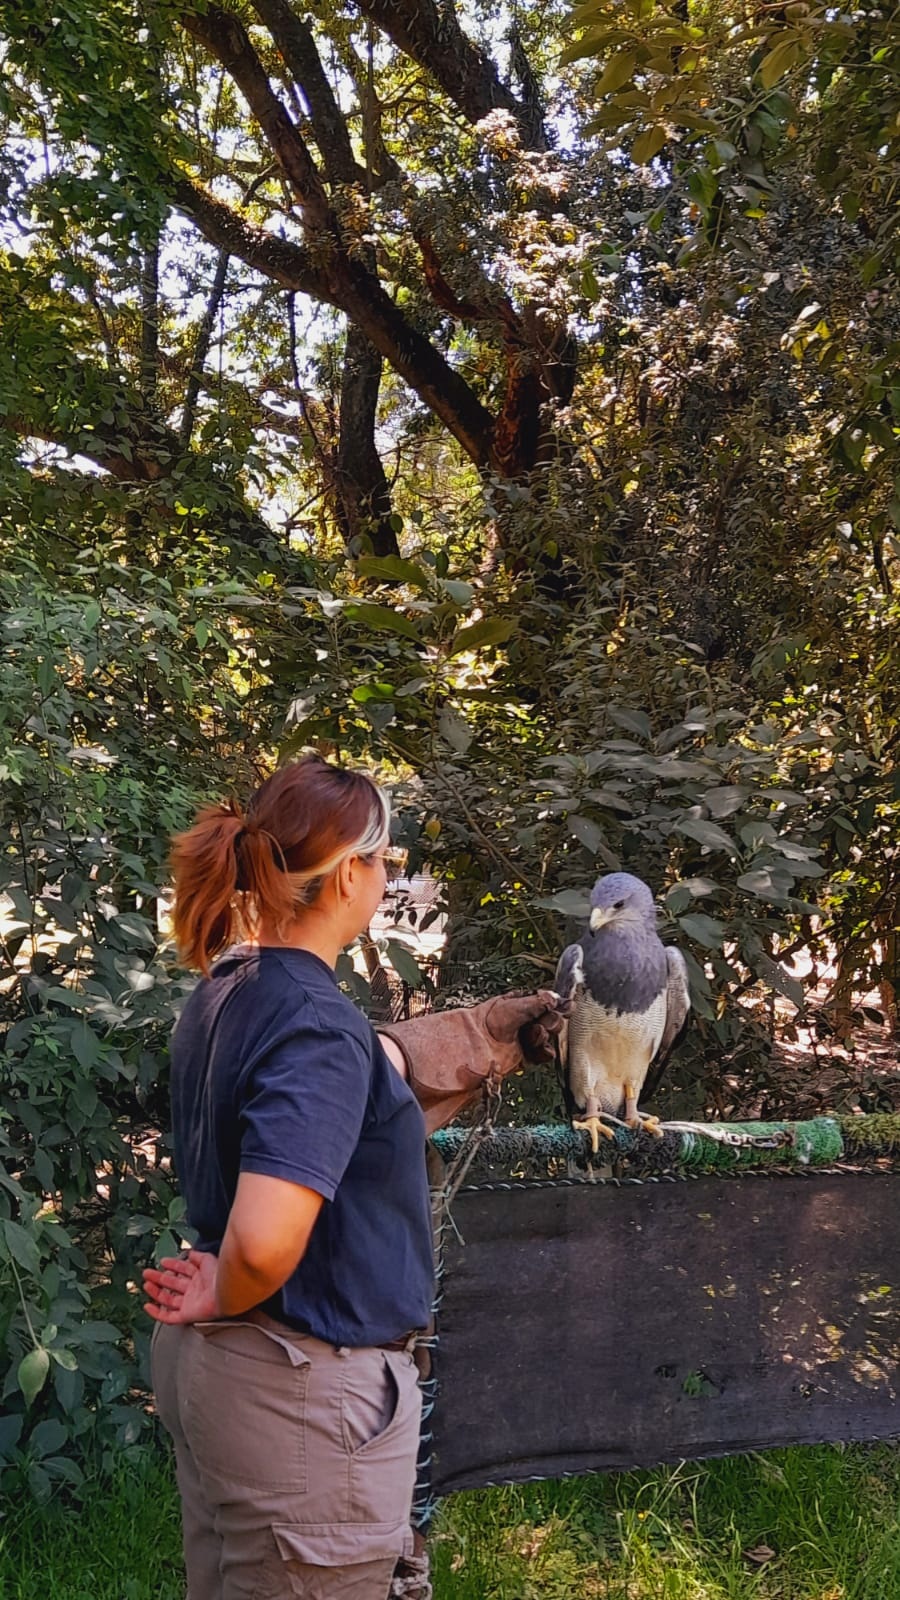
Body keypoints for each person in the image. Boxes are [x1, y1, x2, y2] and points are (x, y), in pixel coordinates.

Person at [142, 755, 563, 1600]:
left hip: (231, 1375)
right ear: (344, 876)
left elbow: (367, 1097)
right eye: (385, 860)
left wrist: (487, 1039)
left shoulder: (232, 990)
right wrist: (229, 1282)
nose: (389, 877)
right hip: (296, 1390)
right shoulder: (315, 1025)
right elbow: (264, 1237)